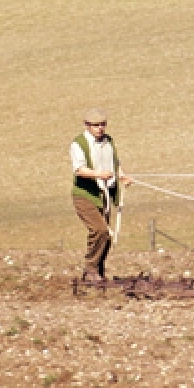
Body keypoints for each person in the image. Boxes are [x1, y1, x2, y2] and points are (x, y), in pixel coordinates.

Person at [70, 110, 132, 283]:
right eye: (96, 125)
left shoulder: (108, 141)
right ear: (87, 125)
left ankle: (98, 271)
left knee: (106, 236)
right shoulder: (79, 144)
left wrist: (122, 176)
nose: (100, 128)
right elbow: (79, 169)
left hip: (104, 194)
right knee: (99, 230)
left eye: (102, 124)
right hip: (86, 194)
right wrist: (98, 174)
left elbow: (115, 162)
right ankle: (90, 269)